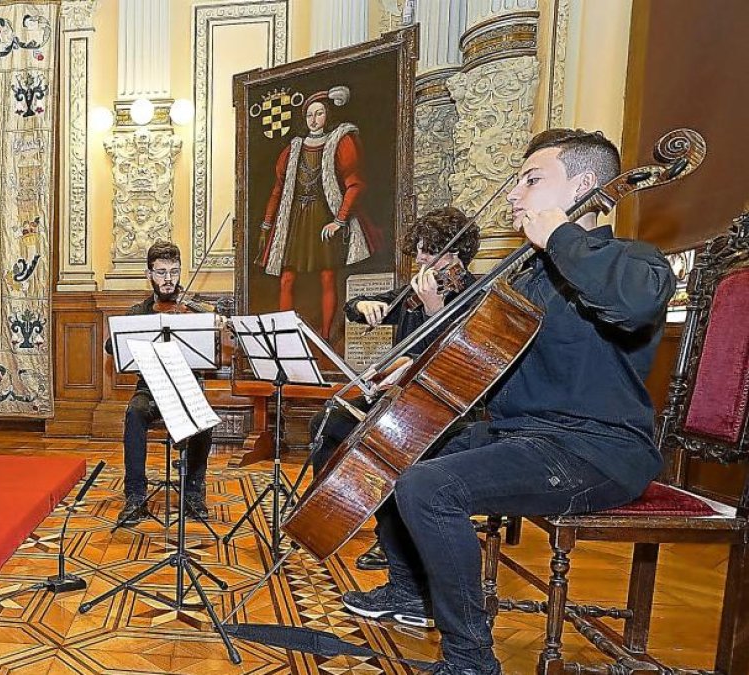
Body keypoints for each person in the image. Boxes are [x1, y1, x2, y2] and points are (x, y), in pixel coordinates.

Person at [340, 129, 674, 675]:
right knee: (393, 445)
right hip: (523, 437)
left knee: (430, 486)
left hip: (596, 449)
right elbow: (482, 360)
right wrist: (415, 364)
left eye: (531, 180)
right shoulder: (531, 277)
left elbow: (632, 304)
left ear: (585, 186)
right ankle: (409, 591)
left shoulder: (633, 260)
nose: (515, 195)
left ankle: (470, 661)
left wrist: (562, 236)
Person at [308, 206, 479, 571]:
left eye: (427, 251)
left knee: (382, 445)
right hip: (402, 398)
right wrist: (363, 304)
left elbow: (459, 356)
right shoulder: (414, 291)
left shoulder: (476, 294)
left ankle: (394, 541)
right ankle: (330, 508)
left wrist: (436, 309)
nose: (418, 258)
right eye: (417, 249)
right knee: (329, 419)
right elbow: (357, 309)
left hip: (445, 407)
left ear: (455, 255)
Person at [256, 86, 380, 340]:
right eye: (310, 115)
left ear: (327, 115)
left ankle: (325, 336)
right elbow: (278, 191)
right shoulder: (293, 149)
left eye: (319, 113)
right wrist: (267, 224)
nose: (314, 119)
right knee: (287, 278)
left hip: (324, 216)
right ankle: (285, 333)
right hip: (297, 220)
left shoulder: (340, 141)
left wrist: (339, 220)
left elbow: (354, 184)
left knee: (327, 277)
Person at [107, 241, 213, 525]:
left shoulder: (194, 310)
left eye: (174, 272)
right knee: (134, 412)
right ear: (149, 274)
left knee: (204, 417)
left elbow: (217, 347)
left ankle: (193, 491)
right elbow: (111, 346)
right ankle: (135, 495)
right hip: (150, 389)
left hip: (186, 387)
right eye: (161, 272)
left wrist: (215, 326)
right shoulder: (139, 312)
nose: (169, 279)